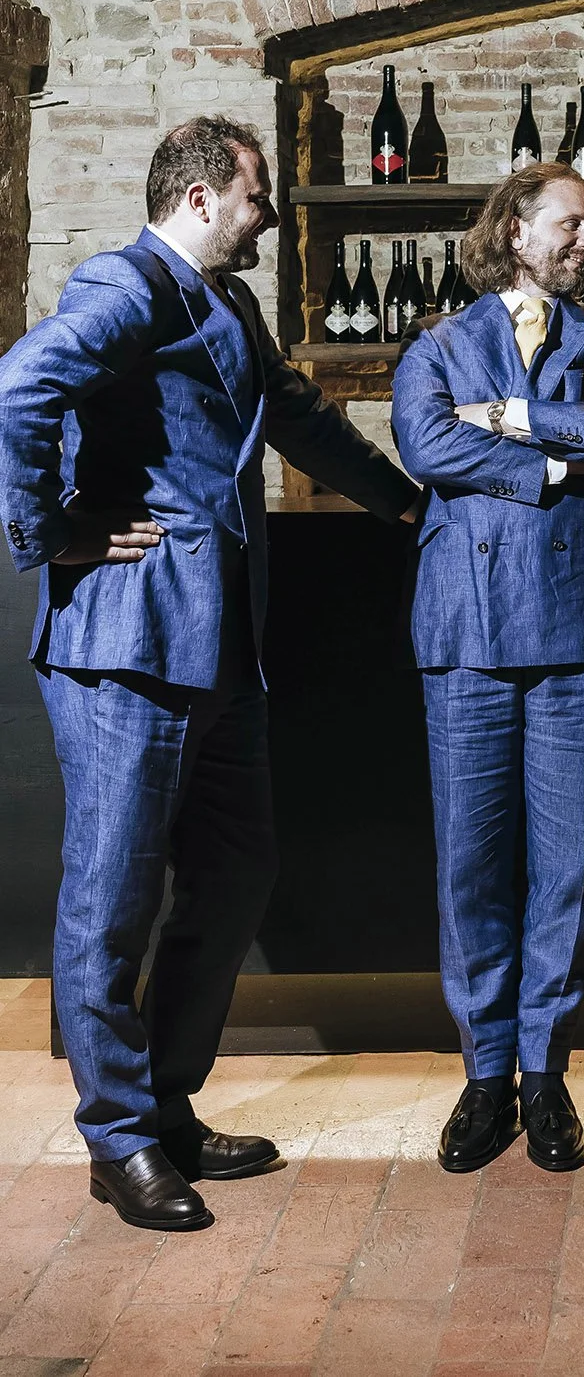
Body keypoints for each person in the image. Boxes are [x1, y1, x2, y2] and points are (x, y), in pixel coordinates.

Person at [0, 116, 420, 1232]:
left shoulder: (225, 302)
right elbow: (18, 388)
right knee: (113, 898)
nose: (269, 214)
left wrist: (401, 498)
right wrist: (52, 532)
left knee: (237, 872)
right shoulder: (125, 284)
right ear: (197, 199)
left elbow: (291, 414)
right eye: (254, 195)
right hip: (125, 648)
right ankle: (120, 1140)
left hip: (220, 647)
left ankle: (169, 1105)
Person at [391, 163, 584, 1174]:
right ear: (516, 230)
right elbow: (421, 441)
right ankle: (483, 1073)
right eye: (574, 223)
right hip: (465, 629)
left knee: (567, 867)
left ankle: (544, 1075)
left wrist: (505, 421)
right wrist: (554, 463)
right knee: (470, 866)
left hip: (575, 625)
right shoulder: (439, 343)